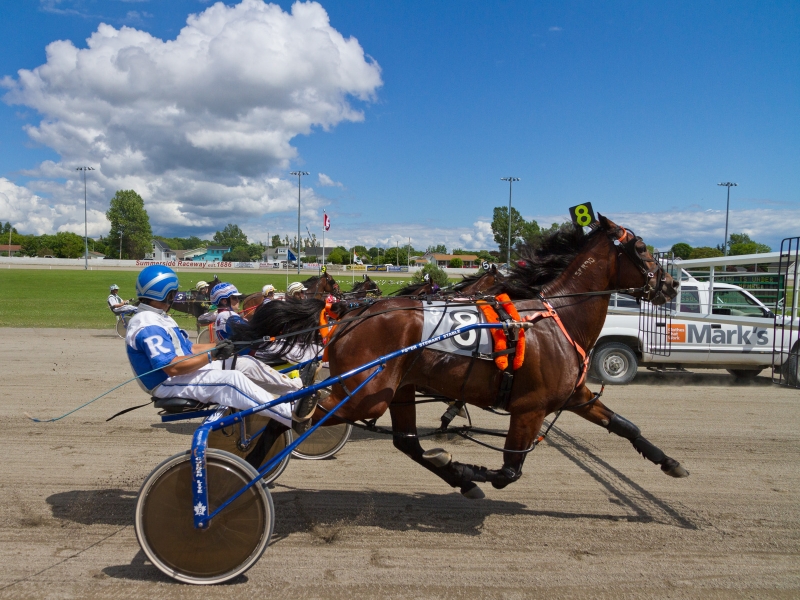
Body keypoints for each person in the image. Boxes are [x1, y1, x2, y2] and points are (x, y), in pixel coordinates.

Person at [125, 265, 318, 434]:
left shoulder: (159, 317)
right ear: (166, 293)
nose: (174, 297)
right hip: (166, 383)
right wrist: (213, 354)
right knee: (231, 381)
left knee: (243, 363)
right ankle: (291, 417)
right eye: (173, 293)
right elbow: (171, 367)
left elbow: (189, 348)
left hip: (180, 374)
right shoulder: (147, 323)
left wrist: (221, 346)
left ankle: (298, 391)